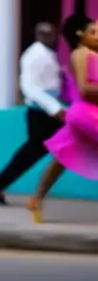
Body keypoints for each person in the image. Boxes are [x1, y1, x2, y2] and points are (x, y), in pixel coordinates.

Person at [0, 21, 65, 205]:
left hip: (48, 112)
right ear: (38, 35)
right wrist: (56, 109)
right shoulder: (34, 55)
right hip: (42, 113)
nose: (49, 37)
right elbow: (30, 87)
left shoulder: (47, 54)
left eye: (51, 33)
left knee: (33, 152)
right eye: (44, 33)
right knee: (32, 152)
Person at [27, 16, 98, 222]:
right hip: (87, 114)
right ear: (80, 35)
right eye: (92, 32)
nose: (97, 36)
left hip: (86, 113)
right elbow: (85, 90)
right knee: (62, 157)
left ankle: (36, 199)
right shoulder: (81, 54)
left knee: (62, 157)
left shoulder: (93, 55)